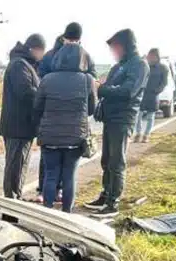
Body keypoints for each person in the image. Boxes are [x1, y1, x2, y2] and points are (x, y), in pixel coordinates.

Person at [85, 28, 147, 217]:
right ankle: (105, 195)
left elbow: (128, 91)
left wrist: (101, 88)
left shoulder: (139, 65)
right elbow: (111, 85)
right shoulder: (119, 66)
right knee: (107, 160)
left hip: (123, 118)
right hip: (110, 118)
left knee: (117, 161)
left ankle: (113, 203)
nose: (114, 52)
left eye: (116, 47)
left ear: (125, 46)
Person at [32, 44, 97, 213]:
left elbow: (37, 106)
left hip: (50, 136)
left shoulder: (47, 79)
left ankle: (48, 211)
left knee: (51, 175)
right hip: (75, 137)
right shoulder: (87, 80)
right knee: (69, 176)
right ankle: (67, 212)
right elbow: (91, 109)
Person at [0, 33, 45, 199]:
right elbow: (25, 92)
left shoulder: (25, 64)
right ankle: (12, 199)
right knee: (15, 165)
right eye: (41, 51)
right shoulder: (20, 65)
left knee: (19, 164)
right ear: (35, 49)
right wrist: (43, 94)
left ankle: (15, 196)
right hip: (18, 126)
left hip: (21, 126)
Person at [134, 48, 168, 143]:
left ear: (157, 57)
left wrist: (156, 91)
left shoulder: (163, 68)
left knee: (150, 116)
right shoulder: (144, 66)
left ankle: (146, 135)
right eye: (149, 56)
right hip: (142, 94)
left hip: (153, 95)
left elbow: (164, 82)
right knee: (138, 115)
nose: (150, 58)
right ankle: (138, 134)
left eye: (152, 56)